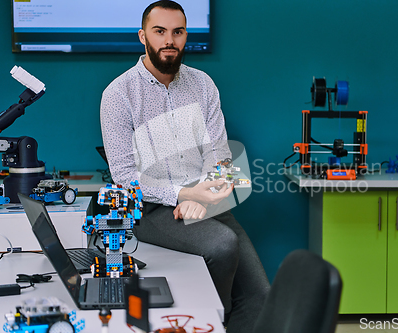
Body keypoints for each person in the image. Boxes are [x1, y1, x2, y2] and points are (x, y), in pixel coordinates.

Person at [99, 1, 270, 332]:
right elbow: (123, 178)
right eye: (159, 31)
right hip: (148, 209)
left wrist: (204, 194)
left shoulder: (203, 84)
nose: (169, 40)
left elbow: (219, 153)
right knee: (222, 244)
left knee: (260, 296)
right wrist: (182, 194)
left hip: (205, 201)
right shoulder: (119, 94)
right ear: (142, 36)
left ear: (185, 35)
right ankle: (207, 323)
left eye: (177, 32)